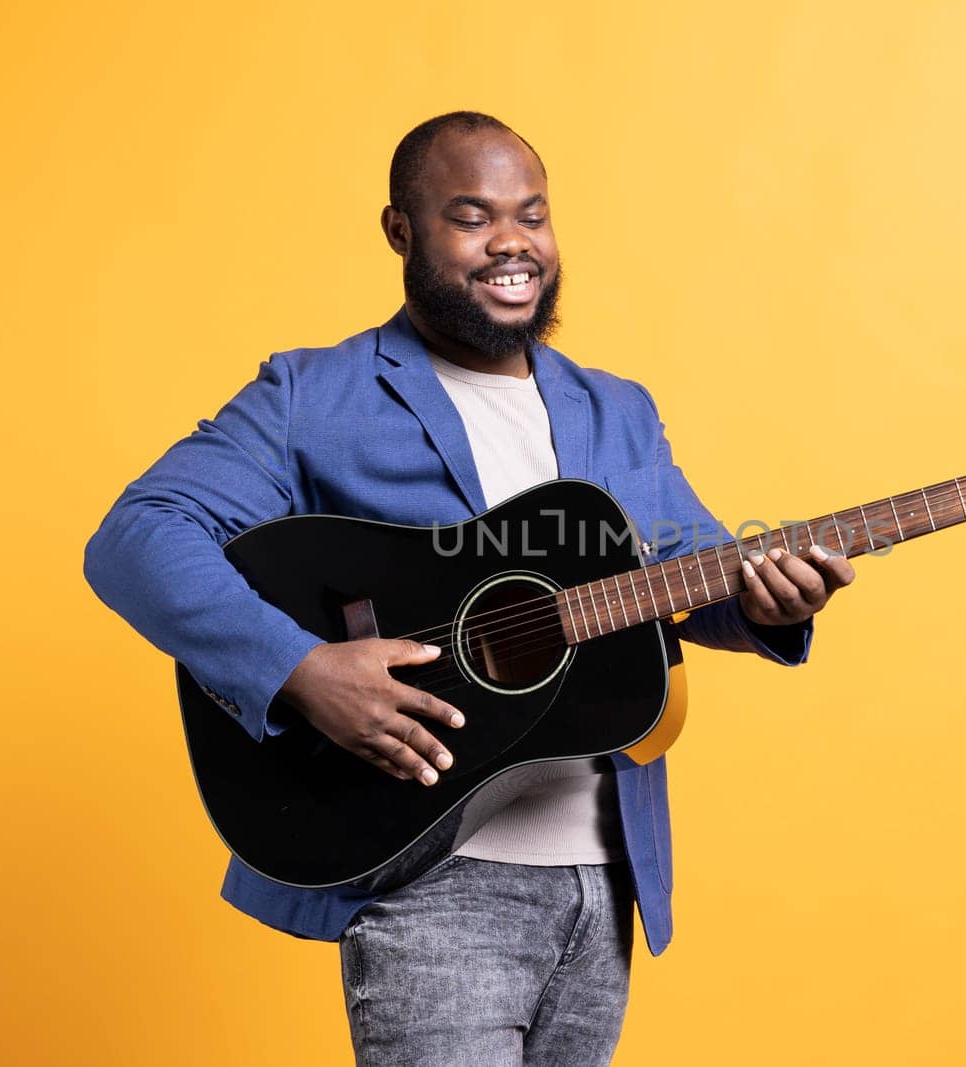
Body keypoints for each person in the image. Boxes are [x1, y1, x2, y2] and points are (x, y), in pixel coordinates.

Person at [83, 111, 855, 1066]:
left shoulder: (617, 408)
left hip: (603, 878)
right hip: (430, 877)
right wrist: (301, 668)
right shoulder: (313, 396)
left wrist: (770, 603)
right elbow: (137, 535)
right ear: (401, 232)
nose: (512, 244)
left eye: (532, 215)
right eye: (472, 216)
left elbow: (692, 578)